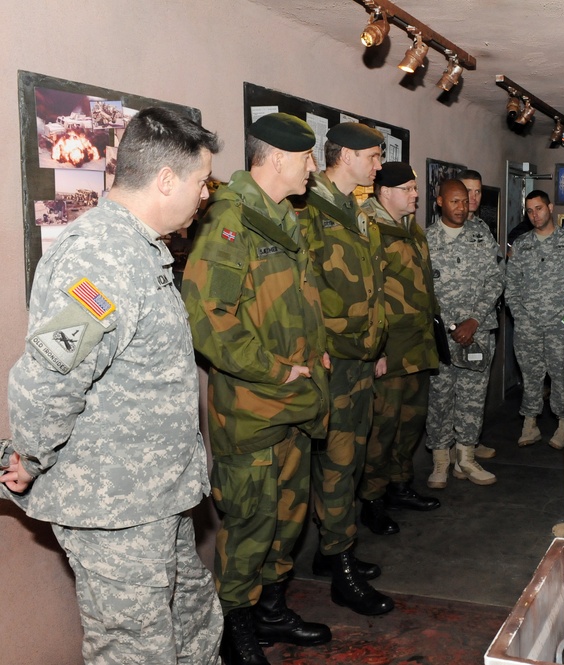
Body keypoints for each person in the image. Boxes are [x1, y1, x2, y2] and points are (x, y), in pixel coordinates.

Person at [2, 107, 223, 664]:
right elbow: (51, 375)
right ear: (167, 179)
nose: (204, 196)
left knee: (193, 619)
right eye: (202, 182)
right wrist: (29, 456)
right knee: (135, 650)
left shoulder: (139, 249)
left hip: (156, 496)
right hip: (116, 507)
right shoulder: (102, 257)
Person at [182, 112, 332, 665]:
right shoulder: (230, 221)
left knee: (287, 518)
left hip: (293, 403)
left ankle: (271, 609)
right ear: (274, 159)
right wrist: (275, 369)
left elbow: (290, 301)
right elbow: (208, 319)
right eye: (306, 157)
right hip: (252, 409)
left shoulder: (281, 217)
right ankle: (234, 629)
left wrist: (311, 355)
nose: (313, 167)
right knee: (250, 524)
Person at [298, 122, 395, 617]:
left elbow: (370, 286)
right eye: (374, 157)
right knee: (337, 464)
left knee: (350, 460)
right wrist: (320, 350)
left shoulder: (354, 211)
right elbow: (304, 290)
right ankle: (340, 568)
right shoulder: (309, 211)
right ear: (349, 156)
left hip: (358, 358)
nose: (378, 166)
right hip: (333, 361)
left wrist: (376, 345)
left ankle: (331, 551)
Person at [357, 162, 442, 527]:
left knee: (411, 421)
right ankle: (372, 497)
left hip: (417, 345)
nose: (415, 195)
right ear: (385, 192)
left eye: (415, 188)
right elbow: (364, 293)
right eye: (408, 189)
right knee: (382, 427)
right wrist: (374, 348)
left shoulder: (412, 230)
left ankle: (399, 484)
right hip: (388, 349)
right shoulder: (367, 228)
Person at [425, 180, 504, 488]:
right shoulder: (426, 240)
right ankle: (441, 462)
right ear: (440, 201)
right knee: (440, 398)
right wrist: (448, 326)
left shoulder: (481, 237)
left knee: (472, 397)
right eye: (455, 201)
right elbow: (421, 289)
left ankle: (467, 459)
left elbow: (496, 280)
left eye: (465, 202)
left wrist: (474, 319)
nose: (461, 207)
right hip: (440, 337)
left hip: (478, 333)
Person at [506, 190, 564, 449]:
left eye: (539, 208)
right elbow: (510, 284)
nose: (535, 215)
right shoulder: (522, 244)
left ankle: (563, 423)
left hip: (560, 321)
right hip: (528, 323)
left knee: (561, 373)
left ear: (551, 207)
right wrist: (519, 315)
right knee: (530, 374)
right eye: (530, 210)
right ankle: (530, 422)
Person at [456, 168, 497, 460]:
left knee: (475, 391)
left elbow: (496, 277)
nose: (472, 198)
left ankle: (469, 442)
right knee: (446, 393)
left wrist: (477, 318)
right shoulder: (440, 230)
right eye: (467, 191)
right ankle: (450, 451)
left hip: (479, 325)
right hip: (450, 327)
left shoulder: (483, 229)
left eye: (478, 191)